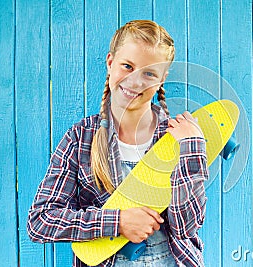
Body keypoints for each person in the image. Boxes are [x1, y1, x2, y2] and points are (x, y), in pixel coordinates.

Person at [27, 20, 209, 267]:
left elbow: (187, 227)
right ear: (110, 63)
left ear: (162, 79)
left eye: (149, 73)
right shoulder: (81, 139)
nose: (135, 82)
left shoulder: (179, 137)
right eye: (127, 66)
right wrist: (118, 222)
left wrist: (192, 150)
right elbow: (41, 221)